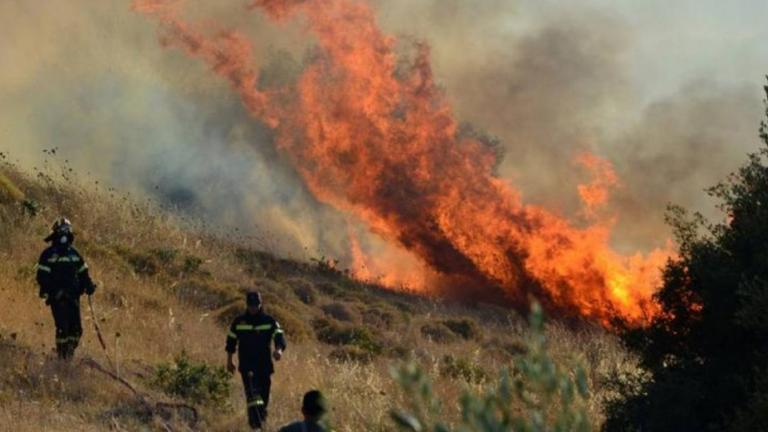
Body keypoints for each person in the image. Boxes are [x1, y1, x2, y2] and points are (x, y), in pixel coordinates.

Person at [36, 218, 96, 360]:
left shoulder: (74, 254)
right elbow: (42, 277)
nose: (64, 234)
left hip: (73, 296)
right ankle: (62, 358)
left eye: (66, 230)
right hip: (57, 297)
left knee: (77, 330)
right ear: (55, 233)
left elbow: (83, 272)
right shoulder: (48, 254)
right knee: (63, 328)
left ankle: (68, 354)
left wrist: (88, 285)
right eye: (61, 230)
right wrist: (50, 292)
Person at [226, 291, 287, 431]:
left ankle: (261, 420)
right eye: (251, 305)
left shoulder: (269, 321)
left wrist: (279, 350)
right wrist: (229, 361)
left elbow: (279, 337)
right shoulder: (238, 322)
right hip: (247, 366)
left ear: (260, 304)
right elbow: (230, 342)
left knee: (263, 397)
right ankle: (255, 426)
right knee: (253, 396)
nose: (253, 308)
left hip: (264, 366)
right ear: (246, 305)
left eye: (256, 305)